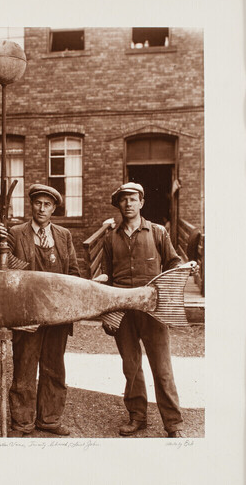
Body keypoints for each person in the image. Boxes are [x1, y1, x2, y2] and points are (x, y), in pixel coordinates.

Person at [0, 184, 80, 438]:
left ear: (54, 208)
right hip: (26, 315)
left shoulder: (64, 236)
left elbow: (74, 274)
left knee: (54, 368)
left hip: (57, 315)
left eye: (47, 204)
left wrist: (71, 308)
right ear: (31, 205)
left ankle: (49, 420)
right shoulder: (15, 233)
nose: (42, 208)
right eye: (38, 203)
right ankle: (23, 422)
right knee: (25, 367)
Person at [101, 182, 184, 438]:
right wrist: (107, 311)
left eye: (133, 198)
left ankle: (174, 424)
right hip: (124, 311)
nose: (128, 203)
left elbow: (174, 263)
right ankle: (137, 417)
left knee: (162, 368)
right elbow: (106, 276)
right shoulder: (109, 237)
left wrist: (167, 294)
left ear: (142, 203)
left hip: (152, 311)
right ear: (119, 204)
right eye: (124, 199)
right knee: (131, 366)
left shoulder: (158, 232)